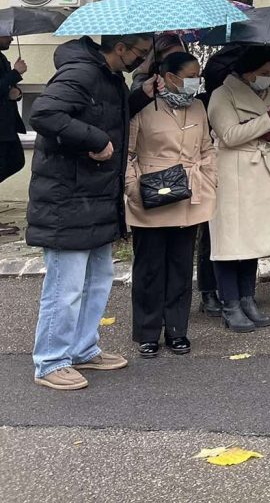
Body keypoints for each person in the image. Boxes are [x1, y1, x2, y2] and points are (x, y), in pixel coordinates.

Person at [27, 33, 150, 390]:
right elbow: (45, 113)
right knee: (65, 287)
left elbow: (105, 113)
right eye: (139, 53)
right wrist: (94, 140)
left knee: (96, 283)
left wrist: (141, 96)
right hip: (68, 199)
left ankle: (82, 349)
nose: (141, 61)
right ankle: (50, 361)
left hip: (96, 198)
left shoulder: (110, 78)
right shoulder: (80, 73)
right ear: (120, 48)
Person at [124, 51, 216, 357]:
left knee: (179, 266)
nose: (196, 80)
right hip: (151, 195)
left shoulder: (199, 106)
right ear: (170, 77)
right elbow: (128, 151)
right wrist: (133, 189)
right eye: (191, 75)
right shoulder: (144, 105)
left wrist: (208, 179)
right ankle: (148, 332)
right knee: (150, 268)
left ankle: (177, 329)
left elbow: (207, 148)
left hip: (189, 196)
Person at [208, 46, 270, 332]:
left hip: (263, 170)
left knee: (254, 242)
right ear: (247, 71)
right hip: (235, 173)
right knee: (230, 241)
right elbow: (230, 135)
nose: (268, 79)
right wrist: (266, 120)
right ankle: (230, 303)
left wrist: (264, 125)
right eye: (264, 73)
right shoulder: (223, 94)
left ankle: (248, 298)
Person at [0, 34, 27, 185]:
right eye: (7, 35)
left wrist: (17, 94)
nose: (11, 39)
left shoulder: (2, 58)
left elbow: (7, 89)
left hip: (7, 126)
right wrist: (16, 73)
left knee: (16, 161)